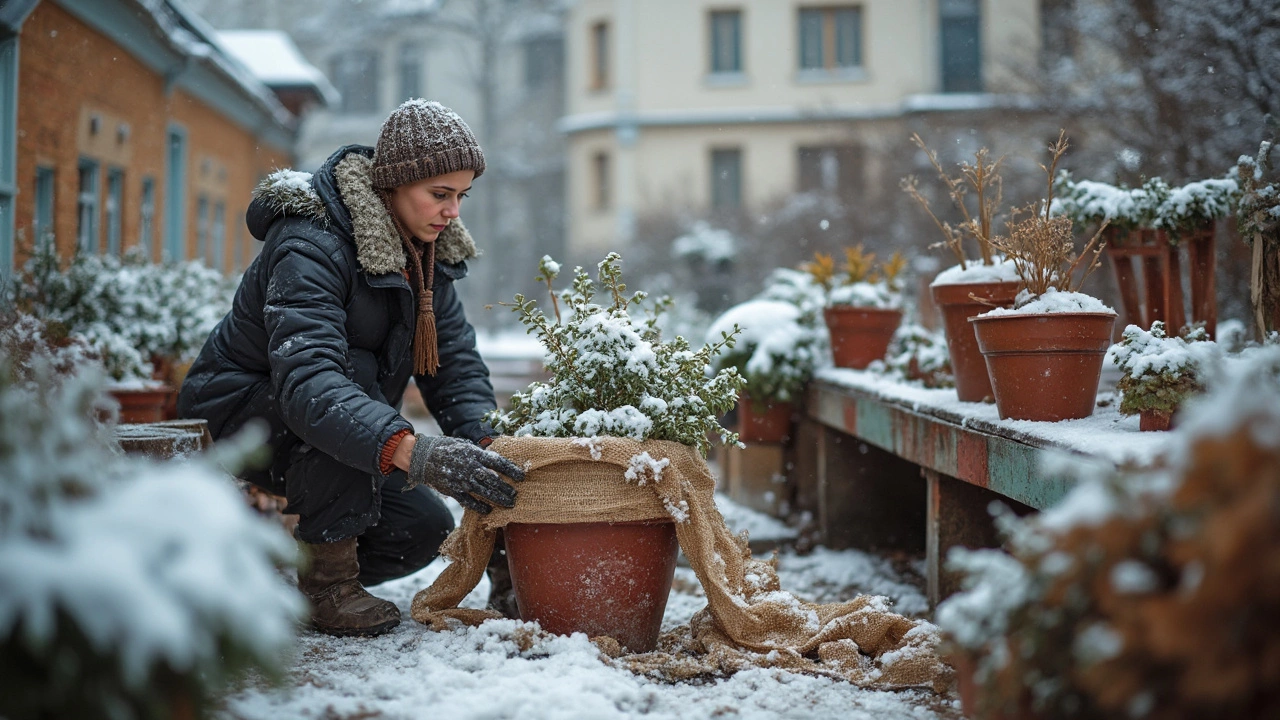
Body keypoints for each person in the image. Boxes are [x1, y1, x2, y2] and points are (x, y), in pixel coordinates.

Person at [178, 100, 525, 637]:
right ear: (392, 184)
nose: (453, 211)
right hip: (238, 413)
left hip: (322, 408)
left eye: (462, 196)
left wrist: (487, 449)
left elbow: (454, 365)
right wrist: (415, 452)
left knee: (421, 529)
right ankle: (327, 588)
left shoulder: (427, 254)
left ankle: (278, 578)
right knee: (349, 394)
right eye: (440, 194)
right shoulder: (311, 243)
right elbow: (311, 384)